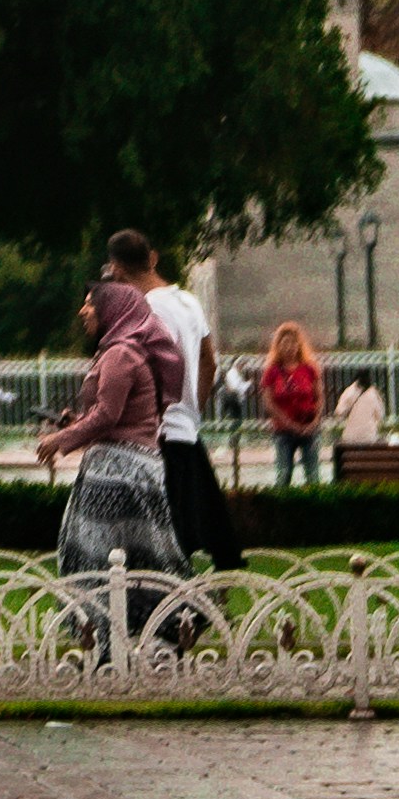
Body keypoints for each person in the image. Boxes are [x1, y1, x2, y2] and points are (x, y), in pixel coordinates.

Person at [34, 269, 186, 610]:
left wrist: (60, 438)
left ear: (112, 310)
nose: (83, 311)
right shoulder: (122, 352)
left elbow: (108, 416)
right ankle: (157, 626)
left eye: (90, 304)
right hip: (131, 467)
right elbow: (113, 416)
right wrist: (78, 425)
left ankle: (105, 632)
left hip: (120, 472)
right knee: (141, 560)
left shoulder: (120, 354)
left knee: (98, 562)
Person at [125, 236, 241, 570]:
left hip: (157, 434)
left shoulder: (144, 308)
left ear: (117, 269)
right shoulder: (189, 302)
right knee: (196, 527)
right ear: (154, 257)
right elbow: (209, 361)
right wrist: (193, 407)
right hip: (185, 430)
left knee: (161, 535)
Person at [255, 321, 326, 489]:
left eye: (293, 343)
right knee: (284, 474)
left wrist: (315, 421)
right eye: (285, 343)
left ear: (299, 345)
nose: (289, 347)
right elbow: (269, 403)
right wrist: (289, 424)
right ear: (278, 346)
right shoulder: (271, 372)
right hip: (283, 431)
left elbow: (319, 396)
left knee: (313, 475)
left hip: (309, 429)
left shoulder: (309, 369)